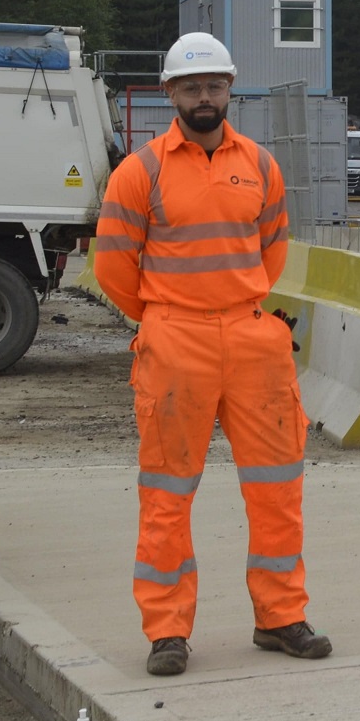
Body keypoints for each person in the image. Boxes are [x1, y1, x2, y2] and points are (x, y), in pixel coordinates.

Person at [92, 33, 332, 678]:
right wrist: (164, 319)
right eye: (192, 87)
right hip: (176, 341)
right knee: (168, 493)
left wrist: (235, 308)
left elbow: (272, 250)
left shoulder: (259, 164)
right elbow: (113, 267)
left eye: (215, 86)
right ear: (171, 93)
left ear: (230, 89)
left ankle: (281, 617)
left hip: (253, 338)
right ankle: (167, 631)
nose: (205, 97)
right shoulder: (139, 172)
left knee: (278, 488)